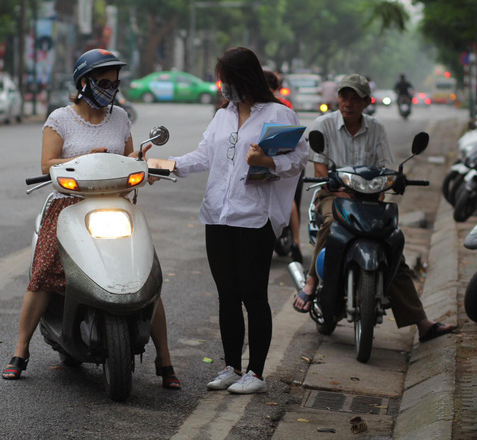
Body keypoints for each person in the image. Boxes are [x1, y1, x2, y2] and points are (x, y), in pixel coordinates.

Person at [2, 49, 181, 390]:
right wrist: (89, 156)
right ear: (83, 83)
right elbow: (47, 165)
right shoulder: (60, 119)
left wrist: (141, 161)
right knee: (43, 273)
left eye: (114, 83)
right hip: (69, 204)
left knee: (148, 277)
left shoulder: (121, 118)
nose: (110, 89)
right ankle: (20, 350)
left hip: (117, 203)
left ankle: (165, 358)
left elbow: (128, 155)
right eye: (103, 82)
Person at [168, 47, 308, 394]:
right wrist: (167, 167)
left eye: (226, 80)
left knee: (253, 296)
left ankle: (256, 373)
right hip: (217, 214)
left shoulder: (277, 114)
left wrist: (269, 161)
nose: (222, 87)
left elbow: (299, 157)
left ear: (243, 79)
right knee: (226, 295)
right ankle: (231, 367)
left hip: (253, 218)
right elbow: (203, 154)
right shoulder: (222, 116)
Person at [292, 73, 456, 343]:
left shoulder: (376, 128)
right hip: (334, 196)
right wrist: (342, 186)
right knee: (331, 226)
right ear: (338, 98)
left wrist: (396, 180)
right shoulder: (323, 124)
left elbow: (386, 166)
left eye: (356, 98)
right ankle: (311, 282)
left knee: (392, 246)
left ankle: (423, 324)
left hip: (369, 200)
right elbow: (320, 169)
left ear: (367, 101)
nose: (349, 102)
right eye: (345, 96)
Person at [264, 70, 304, 263]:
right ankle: (297, 241)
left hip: (277, 159)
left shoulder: (272, 107)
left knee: (287, 199)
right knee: (291, 202)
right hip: (283, 156)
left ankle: (295, 240)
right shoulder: (285, 105)